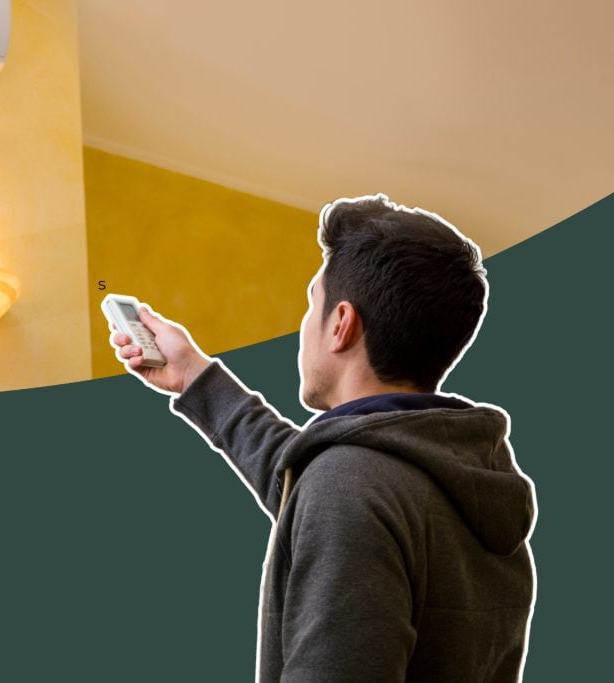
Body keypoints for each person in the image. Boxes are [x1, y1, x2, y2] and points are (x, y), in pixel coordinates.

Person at [108, 194, 537, 682]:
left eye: (311, 304)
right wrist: (194, 376)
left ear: (341, 325)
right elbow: (303, 483)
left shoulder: (350, 487)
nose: (304, 326)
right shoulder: (457, 479)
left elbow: (330, 492)